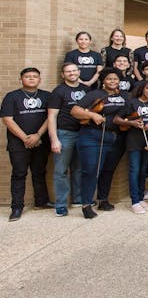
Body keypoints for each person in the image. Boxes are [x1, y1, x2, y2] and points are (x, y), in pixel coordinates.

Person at [70, 68, 126, 219]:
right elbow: (75, 111)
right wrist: (92, 114)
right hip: (93, 136)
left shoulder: (125, 96)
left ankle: (103, 199)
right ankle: (86, 204)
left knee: (108, 170)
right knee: (91, 171)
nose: (112, 81)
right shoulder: (95, 95)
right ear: (103, 80)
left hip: (115, 138)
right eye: (109, 79)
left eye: (115, 79)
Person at [1, 68, 51, 221]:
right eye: (27, 76)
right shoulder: (12, 97)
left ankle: (41, 202)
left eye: (35, 76)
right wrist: (25, 138)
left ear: (39, 80)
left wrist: (37, 135)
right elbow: (7, 119)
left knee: (39, 172)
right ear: (21, 79)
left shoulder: (47, 96)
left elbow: (51, 117)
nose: (31, 79)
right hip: (18, 143)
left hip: (41, 141)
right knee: (19, 174)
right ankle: (16, 208)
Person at [47, 63, 90, 216]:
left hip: (84, 133)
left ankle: (77, 199)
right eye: (68, 71)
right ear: (62, 74)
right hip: (65, 134)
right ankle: (61, 204)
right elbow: (51, 116)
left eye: (74, 71)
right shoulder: (59, 91)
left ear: (79, 72)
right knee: (61, 170)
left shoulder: (86, 89)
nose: (71, 73)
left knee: (79, 168)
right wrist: (54, 139)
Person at [114, 81, 148, 214]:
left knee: (143, 170)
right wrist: (132, 123)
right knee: (134, 170)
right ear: (142, 89)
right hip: (134, 140)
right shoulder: (132, 103)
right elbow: (117, 119)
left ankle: (140, 198)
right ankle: (134, 201)